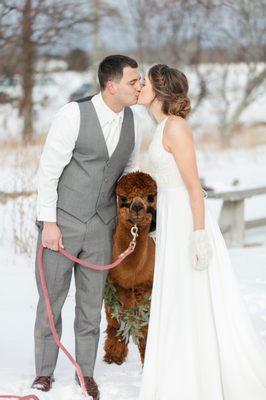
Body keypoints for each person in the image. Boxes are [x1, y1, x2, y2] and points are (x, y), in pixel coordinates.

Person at [137, 64, 266, 399]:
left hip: (186, 218)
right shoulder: (159, 126)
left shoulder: (176, 128)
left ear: (159, 90)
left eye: (145, 83)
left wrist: (197, 234)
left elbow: (194, 186)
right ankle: (180, 374)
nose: (140, 87)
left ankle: (199, 377)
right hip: (169, 218)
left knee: (191, 295)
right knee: (176, 297)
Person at [31, 54, 143, 399]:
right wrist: (49, 223)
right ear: (112, 86)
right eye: (133, 82)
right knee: (52, 303)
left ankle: (86, 373)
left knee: (91, 306)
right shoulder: (72, 115)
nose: (140, 86)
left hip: (101, 227)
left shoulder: (132, 121)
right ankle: (44, 374)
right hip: (61, 224)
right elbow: (48, 172)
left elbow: (128, 170)